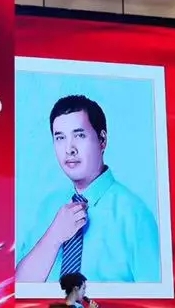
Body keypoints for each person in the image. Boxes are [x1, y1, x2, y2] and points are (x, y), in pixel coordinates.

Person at [16, 95, 160, 283]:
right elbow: (18, 287)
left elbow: (157, 296)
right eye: (60, 138)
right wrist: (54, 236)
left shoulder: (135, 214)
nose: (69, 149)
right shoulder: (47, 208)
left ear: (102, 140)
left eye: (79, 135)